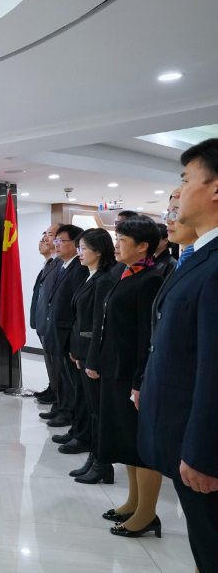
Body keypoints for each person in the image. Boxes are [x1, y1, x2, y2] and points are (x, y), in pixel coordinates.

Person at [139, 138, 218, 572]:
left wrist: (204, 453)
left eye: (185, 181)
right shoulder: (199, 257)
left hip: (204, 456)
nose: (178, 193)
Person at [91, 216, 164, 538]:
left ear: (143, 245)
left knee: (140, 445)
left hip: (131, 373)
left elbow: (147, 336)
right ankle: (134, 502)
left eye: (122, 240)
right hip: (115, 370)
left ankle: (147, 513)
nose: (116, 245)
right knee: (126, 441)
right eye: (116, 239)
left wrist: (139, 379)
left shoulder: (150, 279)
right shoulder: (126, 273)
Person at [66, 229, 117, 483]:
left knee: (98, 412)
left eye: (84, 248)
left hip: (93, 356)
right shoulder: (91, 276)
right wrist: (76, 350)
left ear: (98, 251)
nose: (80, 253)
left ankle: (101, 462)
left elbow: (99, 324)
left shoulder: (105, 280)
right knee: (93, 409)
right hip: (83, 352)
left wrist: (92, 359)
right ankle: (95, 459)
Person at [41, 224, 88, 430]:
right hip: (57, 331)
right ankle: (63, 408)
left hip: (68, 334)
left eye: (61, 241)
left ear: (76, 243)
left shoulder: (79, 267)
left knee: (72, 380)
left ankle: (70, 415)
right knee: (62, 377)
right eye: (56, 240)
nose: (56, 244)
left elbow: (77, 307)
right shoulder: (63, 265)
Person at [34, 225, 62, 410]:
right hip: (44, 321)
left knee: (57, 365)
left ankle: (59, 396)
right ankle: (53, 389)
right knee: (51, 363)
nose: (45, 239)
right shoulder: (50, 264)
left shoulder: (60, 265)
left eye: (50, 235)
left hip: (53, 323)